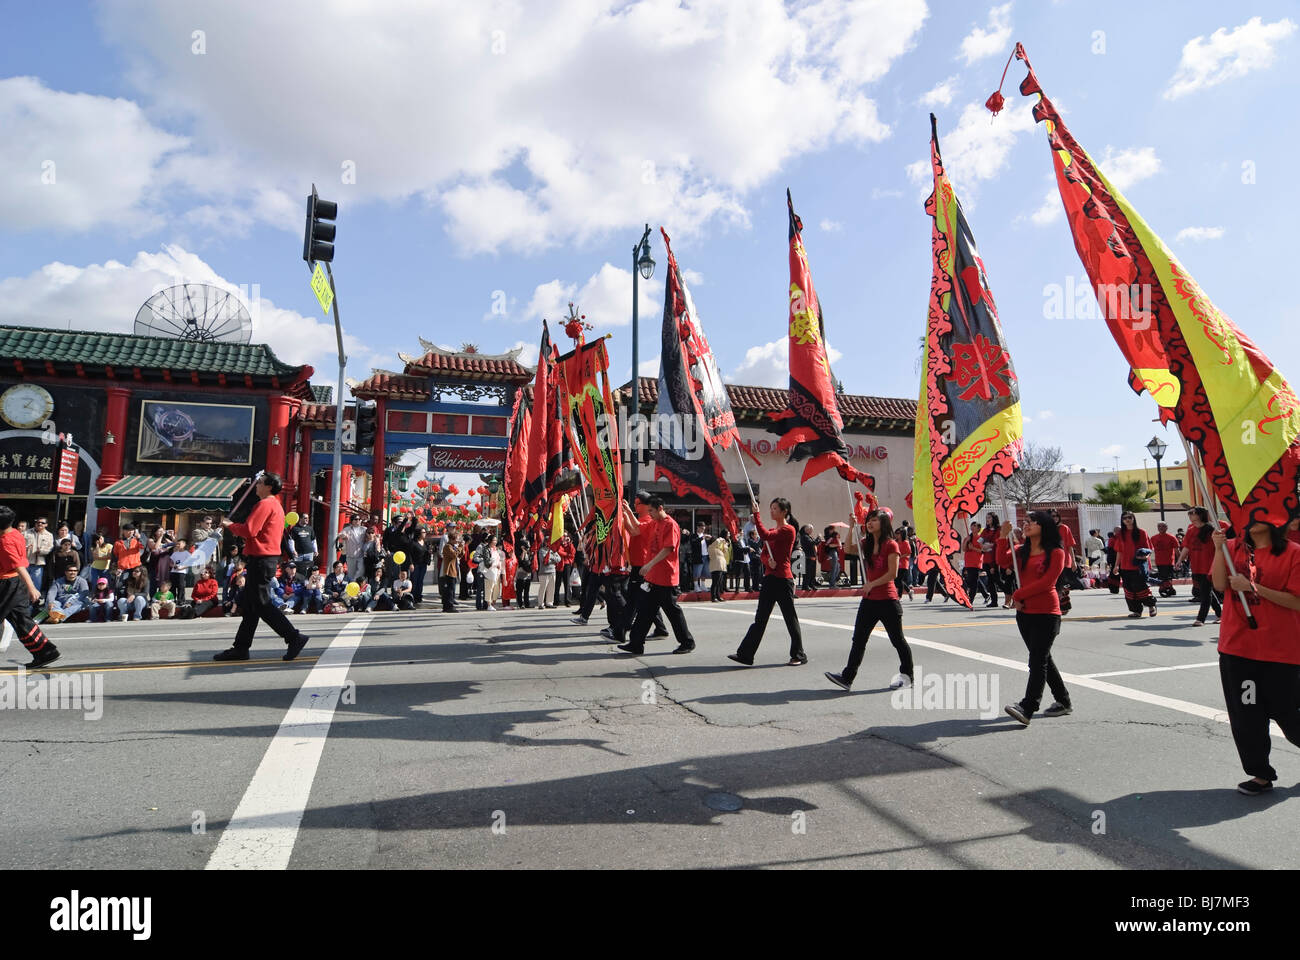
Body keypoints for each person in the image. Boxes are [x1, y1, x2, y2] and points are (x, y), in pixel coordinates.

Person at [1210, 519, 1300, 794]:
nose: (1250, 520)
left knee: (1289, 714)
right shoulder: (1232, 547)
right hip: (1238, 651)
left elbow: (1297, 601)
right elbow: (1218, 584)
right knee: (1247, 715)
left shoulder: (1293, 553)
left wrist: (1253, 588)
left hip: (1281, 652)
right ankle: (1260, 774)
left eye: (1259, 515)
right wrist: (1217, 548)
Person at [213, 472, 310, 662]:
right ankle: (241, 647)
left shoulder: (265, 504)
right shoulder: (275, 505)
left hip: (262, 558)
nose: (257, 485)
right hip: (264, 558)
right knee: (251, 606)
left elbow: (250, 530)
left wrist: (230, 525)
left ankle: (293, 637)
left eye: (260, 483)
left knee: (261, 605)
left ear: (268, 487)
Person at [826, 508, 913, 691]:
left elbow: (892, 573)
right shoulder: (866, 543)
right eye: (868, 520)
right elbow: (848, 549)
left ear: (884, 523)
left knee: (898, 640)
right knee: (858, 639)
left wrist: (872, 584)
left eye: (874, 519)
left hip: (888, 601)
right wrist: (851, 528)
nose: (870, 522)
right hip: (869, 600)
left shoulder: (891, 545)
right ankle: (847, 677)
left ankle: (908, 676)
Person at [1003, 511, 1072, 726]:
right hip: (1024, 614)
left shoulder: (1056, 552)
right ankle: (1064, 701)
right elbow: (1000, 560)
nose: (1026, 524)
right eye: (1025, 522)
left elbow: (1047, 583)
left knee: (1037, 661)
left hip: (1046, 613)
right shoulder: (1020, 551)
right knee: (1043, 659)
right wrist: (1001, 537)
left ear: (1043, 526)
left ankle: (1028, 706)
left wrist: (1017, 595)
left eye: (1032, 521)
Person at [729, 498, 806, 666]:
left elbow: (764, 535)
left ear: (784, 511)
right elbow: (763, 552)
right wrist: (767, 561)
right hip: (770, 579)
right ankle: (745, 654)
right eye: (770, 508)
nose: (772, 511)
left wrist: (756, 514)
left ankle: (798, 655)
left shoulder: (789, 530)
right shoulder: (772, 529)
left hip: (783, 580)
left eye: (775, 508)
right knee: (760, 619)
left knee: (790, 618)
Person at [619, 495, 695, 655]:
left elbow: (668, 549)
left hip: (666, 577)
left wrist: (648, 565)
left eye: (652, 511)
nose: (650, 514)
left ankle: (687, 642)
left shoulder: (670, 525)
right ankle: (636, 643)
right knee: (645, 610)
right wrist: (626, 512)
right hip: (653, 577)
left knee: (673, 612)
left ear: (660, 508)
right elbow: (637, 528)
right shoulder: (655, 523)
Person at [0, 508, 59, 667]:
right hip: (14, 583)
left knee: (20, 620)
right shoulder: (16, 533)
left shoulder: (6, 541)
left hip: (7, 584)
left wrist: (32, 588)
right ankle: (46, 652)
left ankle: (46, 652)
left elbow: (19, 566)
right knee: (21, 620)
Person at [612, 492, 669, 641]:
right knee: (646, 599)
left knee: (634, 599)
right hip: (640, 563)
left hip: (643, 564)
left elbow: (634, 530)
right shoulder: (645, 519)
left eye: (638, 503)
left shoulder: (650, 519)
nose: (635, 506)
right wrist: (626, 514)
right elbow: (634, 528)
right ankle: (660, 629)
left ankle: (622, 630)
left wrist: (625, 514)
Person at [1179, 508, 1222, 626]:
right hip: (1196, 566)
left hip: (1209, 566)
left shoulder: (1211, 530)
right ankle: (1220, 614)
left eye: (1192, 513)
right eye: (1189, 513)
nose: (1190, 515)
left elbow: (1220, 548)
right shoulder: (1190, 530)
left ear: (1200, 515)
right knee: (1206, 592)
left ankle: (1200, 619)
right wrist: (1179, 560)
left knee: (1205, 593)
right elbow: (1186, 547)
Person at [1116, 511, 1156, 617]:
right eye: (1124, 518)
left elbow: (1149, 549)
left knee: (1141, 587)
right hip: (1125, 566)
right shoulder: (1121, 534)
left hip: (1139, 566)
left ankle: (1151, 605)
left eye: (1129, 517)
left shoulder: (1141, 532)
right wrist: (1116, 565)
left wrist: (1145, 557)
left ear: (1133, 518)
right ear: (1122, 520)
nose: (1127, 520)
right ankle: (1136, 611)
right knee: (1129, 589)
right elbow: (1119, 551)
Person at [23, 516, 54, 600]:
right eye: (38, 522)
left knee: (36, 587)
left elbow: (50, 548)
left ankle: (32, 606)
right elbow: (19, 546)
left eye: (42, 523)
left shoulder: (49, 535)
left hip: (38, 565)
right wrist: (25, 548)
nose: (40, 524)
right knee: (22, 586)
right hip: (26, 564)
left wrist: (41, 551)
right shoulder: (26, 533)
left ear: (46, 525)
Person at [112, 523, 144, 595]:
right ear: (123, 531)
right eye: (128, 530)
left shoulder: (137, 541)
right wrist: (115, 569)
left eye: (132, 530)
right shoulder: (118, 543)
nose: (130, 532)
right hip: (123, 568)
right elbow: (115, 556)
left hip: (135, 567)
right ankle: (120, 601)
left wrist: (139, 538)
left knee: (135, 586)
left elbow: (144, 547)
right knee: (120, 586)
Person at [1151, 521, 1180, 598]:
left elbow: (1177, 550)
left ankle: (1163, 589)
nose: (1161, 528)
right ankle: (1170, 589)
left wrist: (1180, 560)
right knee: (1163, 576)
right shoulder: (1153, 538)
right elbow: (1149, 549)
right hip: (1159, 561)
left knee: (1167, 576)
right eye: (1159, 526)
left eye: (1163, 526)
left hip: (1169, 561)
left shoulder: (1171, 537)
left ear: (1166, 527)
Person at [439, 530, 462, 612]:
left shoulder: (453, 546)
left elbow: (459, 555)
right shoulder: (448, 546)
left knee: (451, 589)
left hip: (454, 570)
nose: (458, 540)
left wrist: (461, 548)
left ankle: (447, 606)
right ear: (452, 539)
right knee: (450, 590)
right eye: (457, 539)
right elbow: (454, 555)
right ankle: (449, 606)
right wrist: (460, 547)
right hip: (449, 571)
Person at [482, 535, 504, 611]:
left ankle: (493, 603)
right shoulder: (486, 549)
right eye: (494, 540)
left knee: (496, 588)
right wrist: (495, 564)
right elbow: (487, 562)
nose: (495, 542)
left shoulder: (495, 549)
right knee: (489, 588)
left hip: (496, 571)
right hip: (490, 571)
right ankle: (489, 604)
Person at [708, 531, 730, 602]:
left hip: (721, 566)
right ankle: (713, 597)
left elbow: (725, 551)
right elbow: (717, 542)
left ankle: (718, 596)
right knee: (715, 582)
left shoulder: (718, 549)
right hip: (716, 566)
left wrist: (725, 544)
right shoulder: (711, 547)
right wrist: (721, 539)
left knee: (719, 582)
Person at [893, 528, 914, 600]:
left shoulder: (905, 542)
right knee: (897, 580)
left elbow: (908, 553)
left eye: (898, 533)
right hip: (896, 563)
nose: (897, 535)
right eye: (896, 533)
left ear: (902, 534)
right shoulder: (895, 542)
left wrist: (900, 556)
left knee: (899, 580)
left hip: (904, 564)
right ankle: (909, 591)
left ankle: (899, 596)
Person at [514, 542, 533, 609]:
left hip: (528, 573)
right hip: (521, 574)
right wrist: (523, 552)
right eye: (527, 545)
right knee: (519, 590)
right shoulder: (518, 552)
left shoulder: (530, 553)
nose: (528, 546)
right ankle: (520, 604)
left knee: (527, 590)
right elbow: (520, 561)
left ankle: (527, 603)